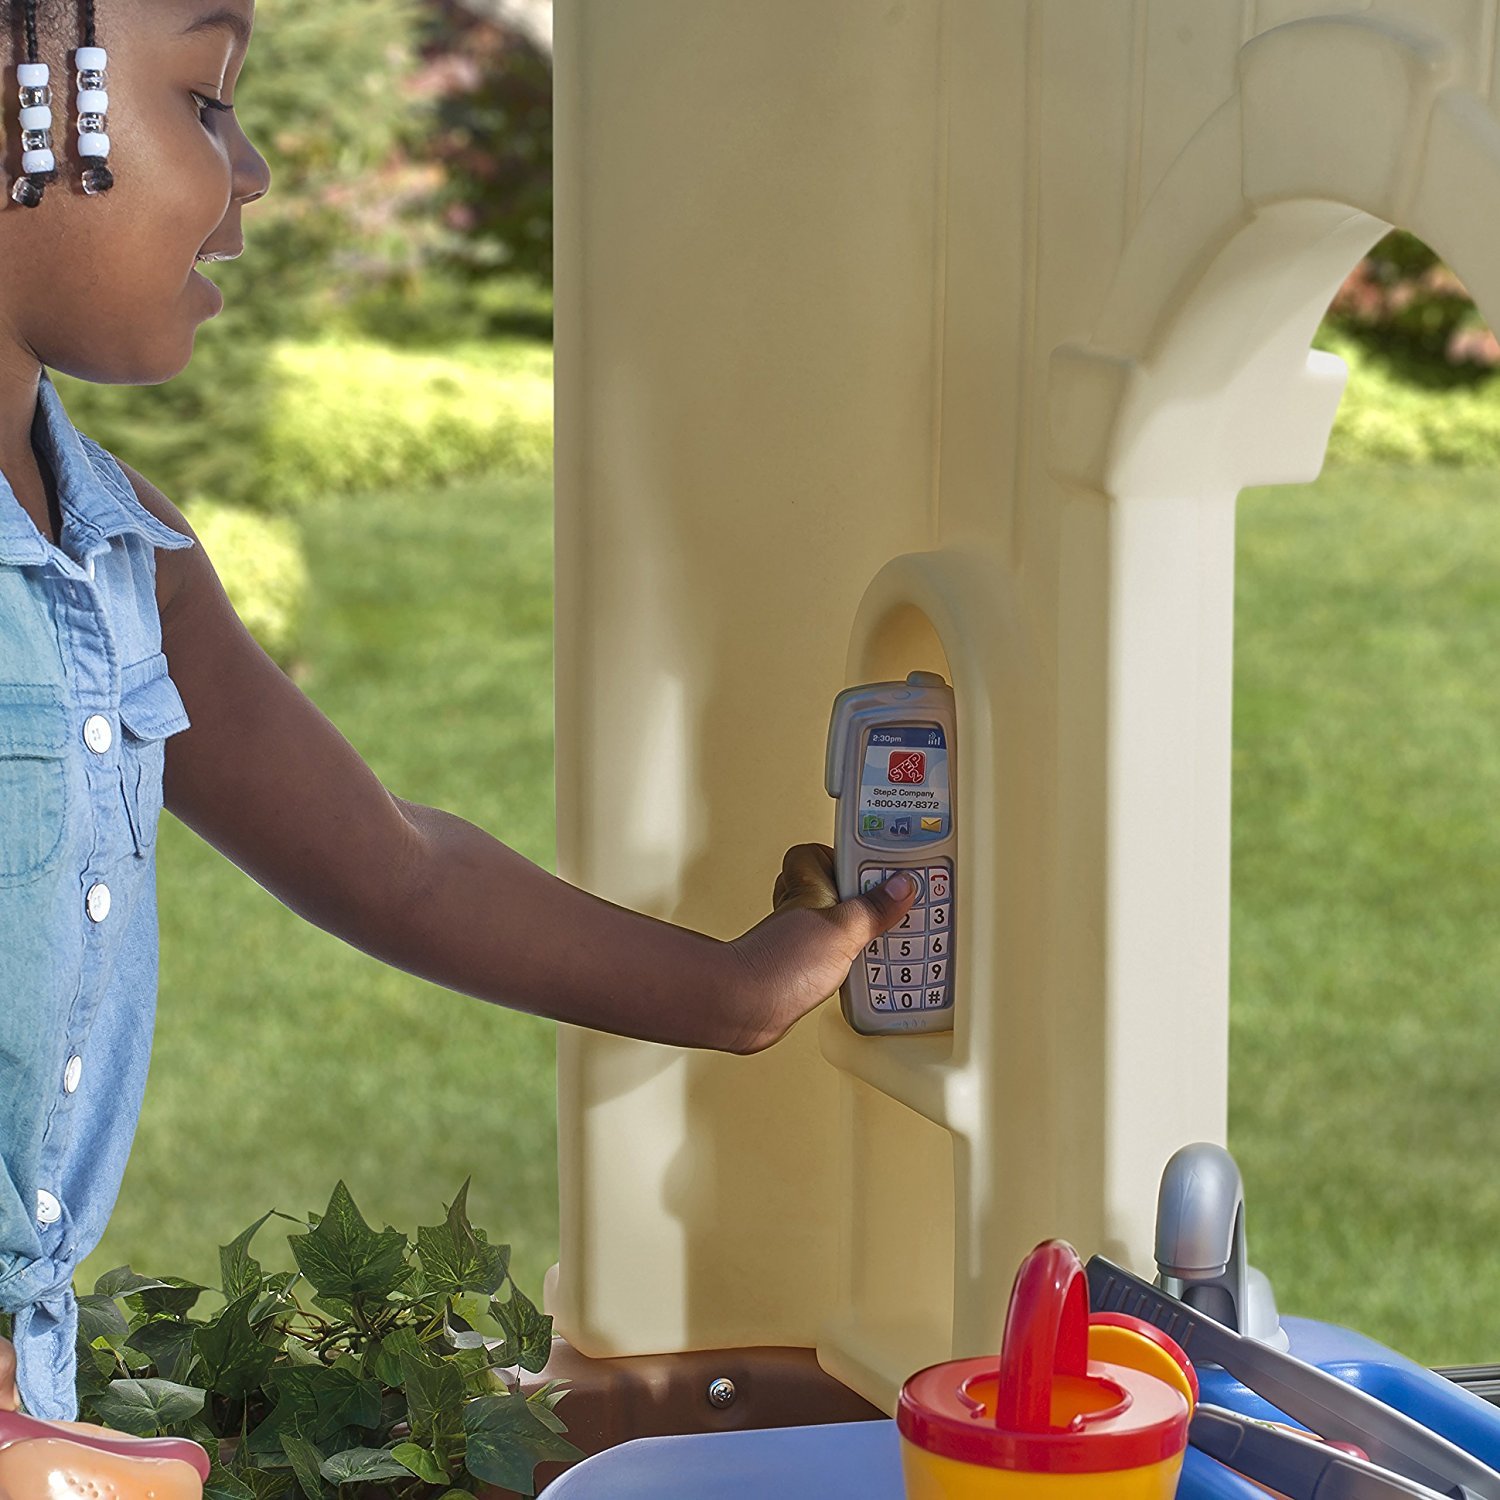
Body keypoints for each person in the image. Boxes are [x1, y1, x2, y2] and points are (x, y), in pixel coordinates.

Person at [0, 0, 916, 1422]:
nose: (251, 172)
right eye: (206, 101)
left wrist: (732, 992)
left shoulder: (126, 549)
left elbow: (398, 869)